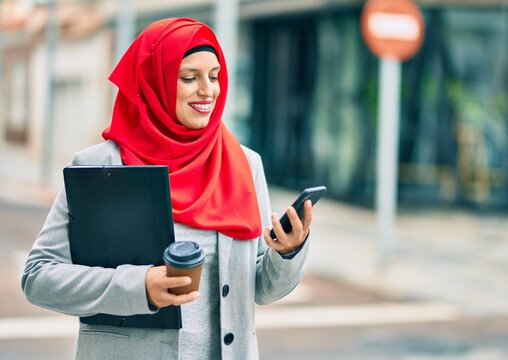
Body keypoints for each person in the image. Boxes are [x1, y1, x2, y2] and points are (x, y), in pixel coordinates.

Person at [21, 18, 313, 359]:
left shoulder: (244, 165)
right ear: (154, 82)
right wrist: (139, 287)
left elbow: (261, 289)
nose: (208, 90)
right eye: (189, 77)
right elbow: (37, 277)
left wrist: (287, 253)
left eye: (215, 76)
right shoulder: (102, 167)